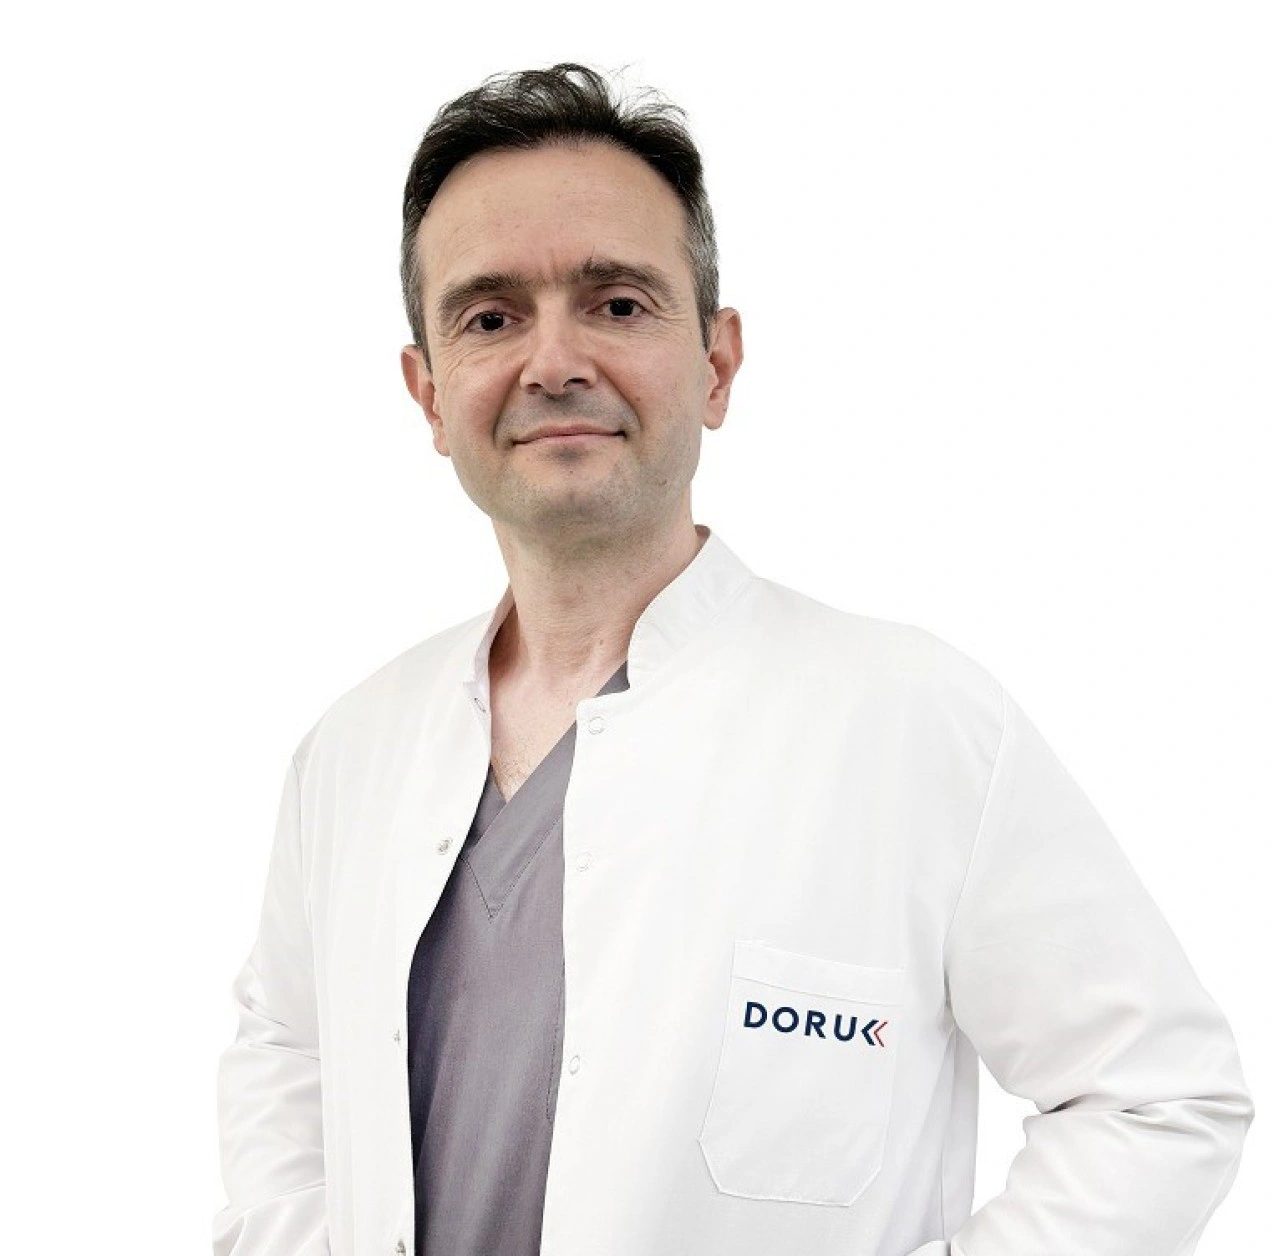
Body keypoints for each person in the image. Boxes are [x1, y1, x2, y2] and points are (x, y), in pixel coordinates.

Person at [212, 62, 1254, 1256]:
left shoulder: (910, 721)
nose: (553, 361)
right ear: (429, 393)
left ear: (715, 363)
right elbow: (283, 1051)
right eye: (489, 317)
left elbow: (1158, 1097)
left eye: (616, 303)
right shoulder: (352, 751)